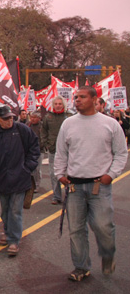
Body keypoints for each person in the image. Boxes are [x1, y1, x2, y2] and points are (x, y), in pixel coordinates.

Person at [54, 86, 128, 281]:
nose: (77, 100)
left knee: (103, 226)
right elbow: (61, 152)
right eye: (76, 97)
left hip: (99, 186)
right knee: (76, 229)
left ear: (95, 99)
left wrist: (111, 174)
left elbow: (121, 153)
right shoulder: (68, 124)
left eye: (82, 97)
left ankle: (107, 254)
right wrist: (59, 174)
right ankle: (81, 266)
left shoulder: (110, 124)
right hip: (74, 186)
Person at [0, 105, 40, 256]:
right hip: (2, 178)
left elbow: (34, 148)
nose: (9, 120)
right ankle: (7, 232)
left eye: (11, 117)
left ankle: (14, 240)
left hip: (20, 177)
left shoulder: (22, 130)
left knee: (15, 210)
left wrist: (28, 167)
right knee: (6, 210)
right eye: (5, 118)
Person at [41, 96, 70, 205]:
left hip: (67, 150)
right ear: (53, 105)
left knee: (68, 174)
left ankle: (69, 195)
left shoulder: (69, 117)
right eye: (56, 104)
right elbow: (43, 130)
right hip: (53, 149)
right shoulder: (48, 117)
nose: (58, 106)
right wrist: (45, 143)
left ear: (63, 105)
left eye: (60, 104)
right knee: (53, 174)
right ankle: (56, 196)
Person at [28, 111, 43, 192]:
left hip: (39, 150)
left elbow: (43, 138)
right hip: (29, 150)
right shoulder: (28, 125)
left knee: (37, 168)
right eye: (31, 117)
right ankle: (31, 184)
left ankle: (37, 185)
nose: (32, 119)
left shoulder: (42, 126)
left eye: (34, 117)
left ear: (39, 118)